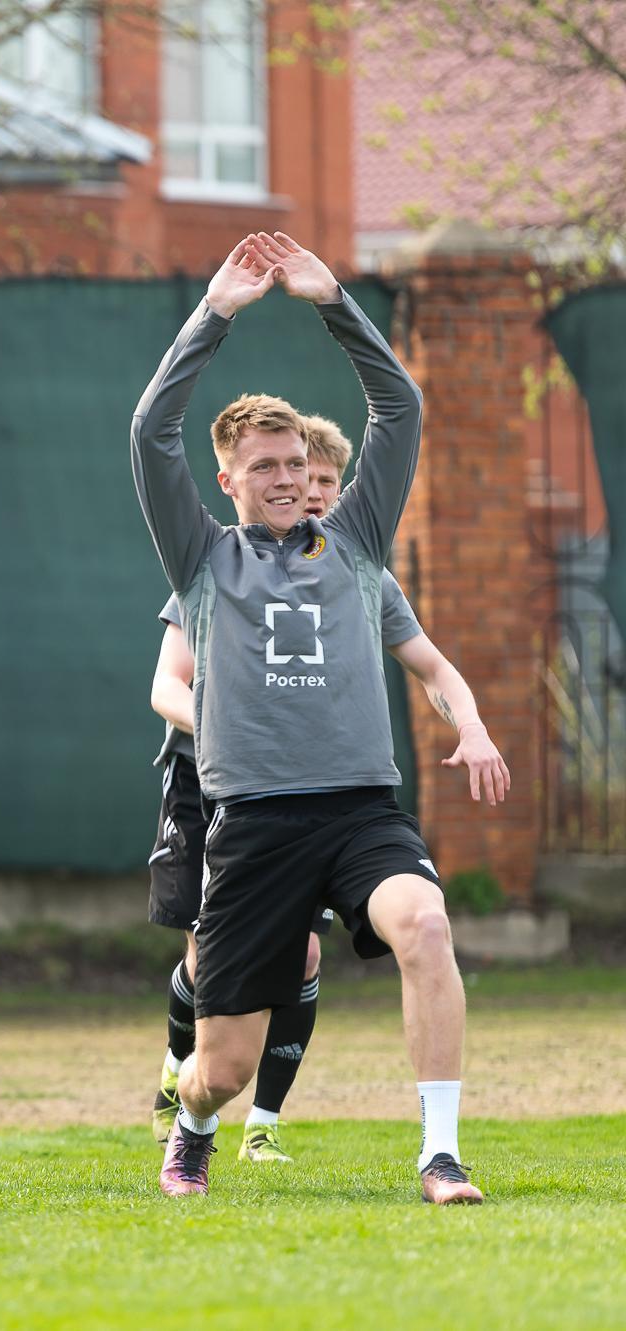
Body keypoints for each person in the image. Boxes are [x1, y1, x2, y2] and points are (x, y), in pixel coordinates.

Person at [130, 232, 484, 1204]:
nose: (286, 477)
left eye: (295, 461)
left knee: (424, 924)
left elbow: (398, 405)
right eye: (263, 465)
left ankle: (440, 1154)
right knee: (223, 1068)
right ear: (228, 482)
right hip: (253, 824)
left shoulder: (357, 539)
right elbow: (150, 431)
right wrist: (214, 312)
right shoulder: (201, 560)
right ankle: (194, 1127)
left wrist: (334, 302)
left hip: (360, 809)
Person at [147, 413, 511, 1163]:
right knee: (211, 1000)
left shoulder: (356, 568)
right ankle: (189, 1087)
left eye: (323, 483)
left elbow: (432, 665)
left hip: (343, 800)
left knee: (374, 938)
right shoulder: (214, 566)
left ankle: (323, 1132)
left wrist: (473, 725)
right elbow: (165, 686)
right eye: (291, 475)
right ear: (238, 483)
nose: (308, 493)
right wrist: (230, 722)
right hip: (220, 790)